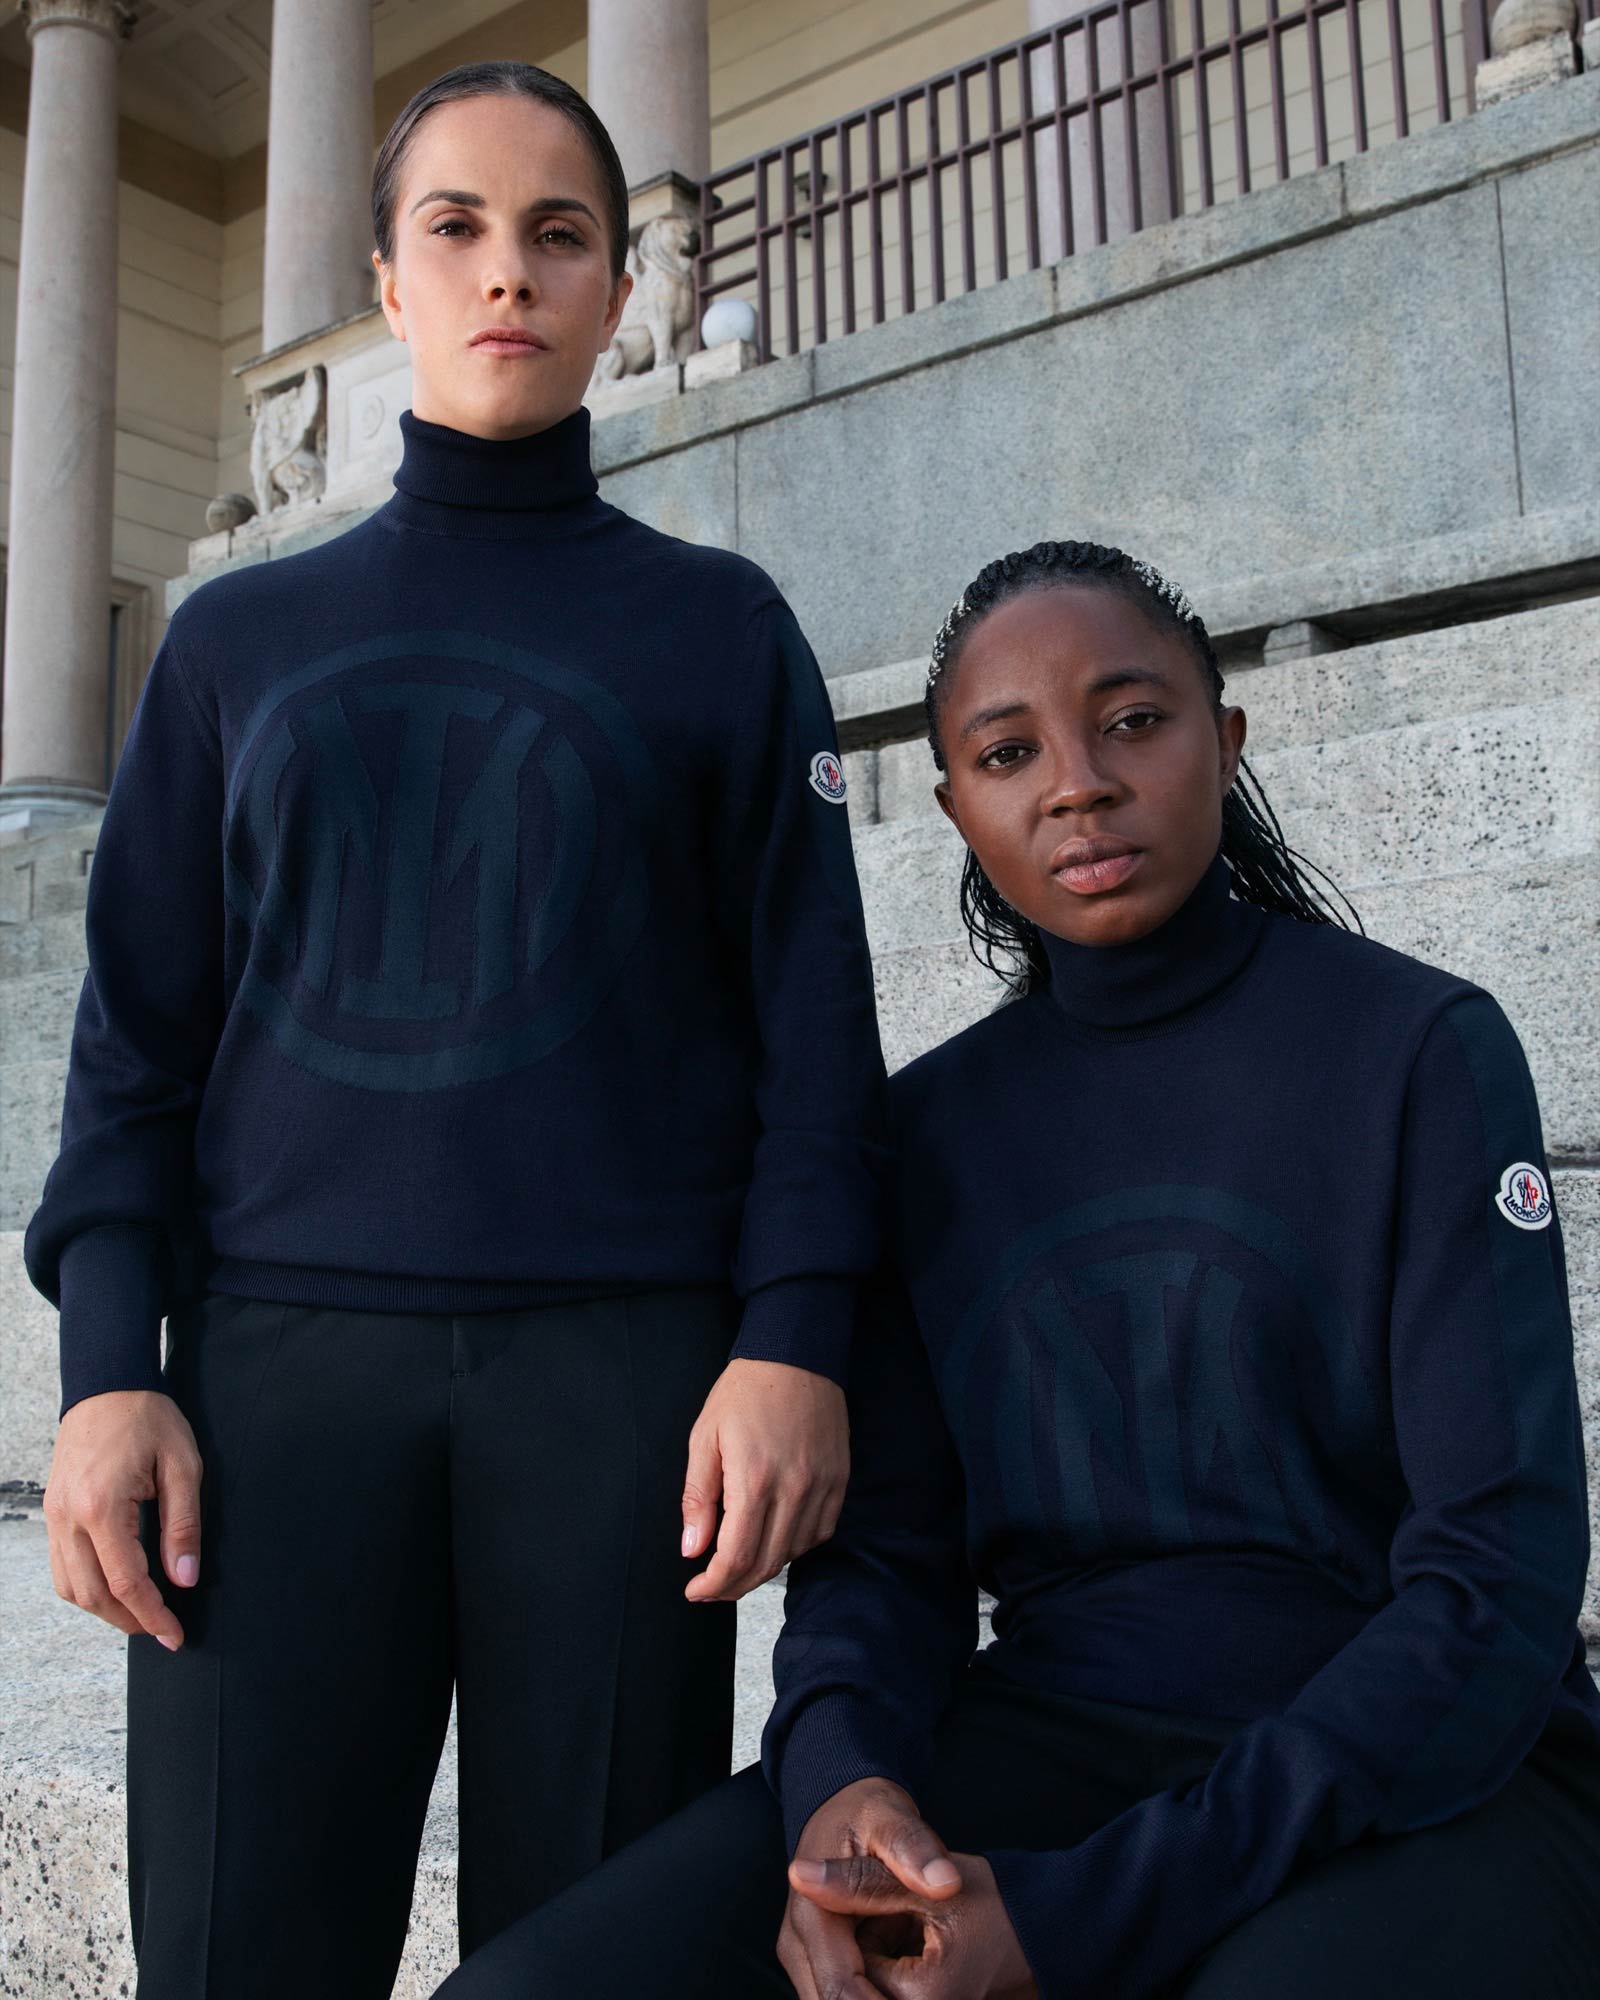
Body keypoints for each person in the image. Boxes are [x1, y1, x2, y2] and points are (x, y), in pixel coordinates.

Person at [428, 539, 1600, 2000]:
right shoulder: (927, 1133)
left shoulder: (1419, 1052)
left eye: (1135, 720)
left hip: (1420, 1761)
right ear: (953, 807)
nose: (1077, 785)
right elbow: (887, 1561)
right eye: (1007, 752)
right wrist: (847, 1787)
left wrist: (1087, 1911)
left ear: (1227, 738)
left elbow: (1497, 1572)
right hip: (1059, 1728)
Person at [27, 61, 889, 2000]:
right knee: (238, 1955)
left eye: (559, 233)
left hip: (627, 1389)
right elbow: (137, 1041)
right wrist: (103, 1372)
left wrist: (792, 1340)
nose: (510, 271)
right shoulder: (234, 643)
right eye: (459, 227)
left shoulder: (721, 630)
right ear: (385, 281)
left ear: (617, 290)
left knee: (586, 1964)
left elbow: (813, 1038)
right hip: (272, 1391)